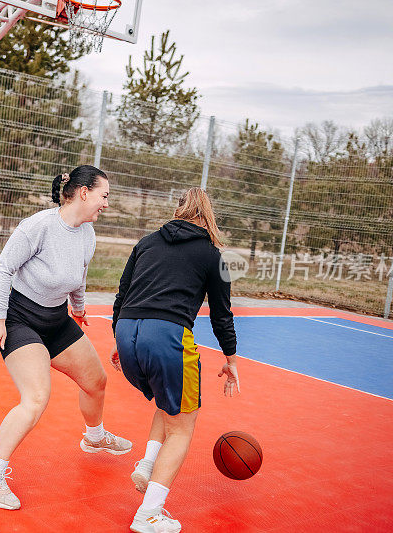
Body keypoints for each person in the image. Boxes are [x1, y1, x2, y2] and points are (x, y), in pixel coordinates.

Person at [0, 165, 132, 511]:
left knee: (96, 381)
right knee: (36, 397)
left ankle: (94, 438)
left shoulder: (87, 234)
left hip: (56, 320)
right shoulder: (39, 226)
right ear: (84, 192)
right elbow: (3, 269)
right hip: (20, 320)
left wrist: (79, 307)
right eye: (104, 195)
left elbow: (78, 276)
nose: (107, 203)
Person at [110, 187, 240, 533]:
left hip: (128, 332)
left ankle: (148, 462)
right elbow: (221, 314)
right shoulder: (213, 255)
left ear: (179, 210)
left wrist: (119, 342)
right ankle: (149, 513)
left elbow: (122, 295)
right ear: (208, 215)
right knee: (183, 426)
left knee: (170, 401)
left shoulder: (147, 242)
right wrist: (231, 357)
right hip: (167, 337)